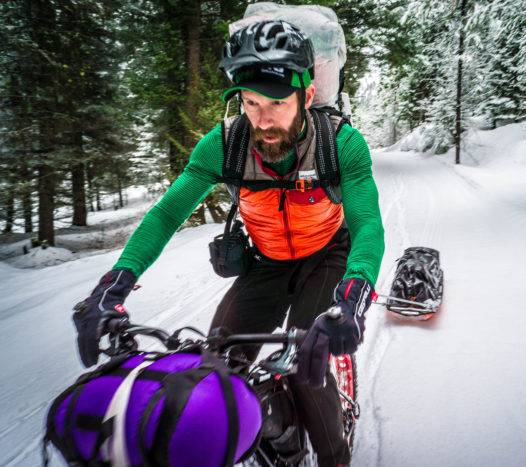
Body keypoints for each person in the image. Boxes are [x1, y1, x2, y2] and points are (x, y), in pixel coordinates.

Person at [72, 20, 384, 466]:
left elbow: (368, 223)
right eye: (251, 102)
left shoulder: (340, 144)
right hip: (268, 261)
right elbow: (165, 215)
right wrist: (113, 284)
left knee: (302, 367)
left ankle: (335, 456)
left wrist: (351, 301)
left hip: (328, 254)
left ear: (307, 96)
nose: (263, 119)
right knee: (217, 364)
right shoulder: (224, 146)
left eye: (277, 102)